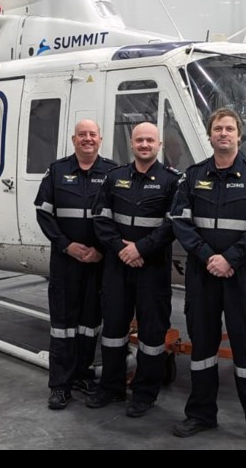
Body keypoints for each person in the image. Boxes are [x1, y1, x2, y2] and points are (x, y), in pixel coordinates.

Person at [169, 107, 246, 450]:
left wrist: (229, 259)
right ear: (210, 134)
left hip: (243, 275)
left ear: (239, 136)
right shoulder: (192, 176)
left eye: (230, 129)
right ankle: (201, 414)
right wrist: (208, 258)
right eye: (218, 128)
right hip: (204, 275)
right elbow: (180, 222)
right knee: (202, 346)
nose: (224, 134)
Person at [88, 122, 180, 417]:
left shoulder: (171, 182)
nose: (144, 144)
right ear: (131, 144)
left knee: (153, 335)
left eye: (149, 140)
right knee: (113, 329)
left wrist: (140, 249)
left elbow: (172, 225)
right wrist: (121, 248)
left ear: (159, 145)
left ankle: (144, 393)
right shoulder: (114, 178)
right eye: (139, 140)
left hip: (152, 269)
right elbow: (101, 219)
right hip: (118, 267)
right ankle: (111, 388)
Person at [34, 119, 117, 410]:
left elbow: (116, 218)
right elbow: (43, 214)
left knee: (89, 324)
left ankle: (82, 375)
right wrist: (67, 245)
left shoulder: (112, 172)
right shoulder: (57, 171)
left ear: (100, 139)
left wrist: (102, 251)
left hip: (97, 263)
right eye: (82, 135)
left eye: (92, 134)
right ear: (73, 139)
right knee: (62, 327)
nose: (87, 139)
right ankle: (60, 385)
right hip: (65, 263)